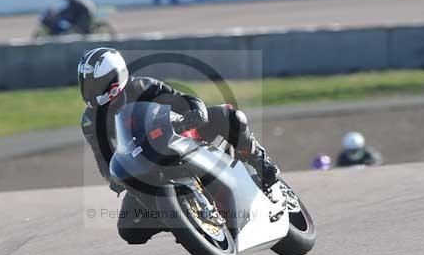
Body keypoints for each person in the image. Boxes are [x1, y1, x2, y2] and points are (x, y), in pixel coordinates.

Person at [78, 47, 280, 244]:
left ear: (115, 79)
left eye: (95, 85)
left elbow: (184, 99)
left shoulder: (142, 86)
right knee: (129, 229)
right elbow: (103, 157)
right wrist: (115, 178)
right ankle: (181, 219)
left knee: (231, 117)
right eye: (85, 84)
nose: (89, 91)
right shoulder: (89, 121)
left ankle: (261, 161)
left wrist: (196, 112)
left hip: (177, 137)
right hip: (143, 165)